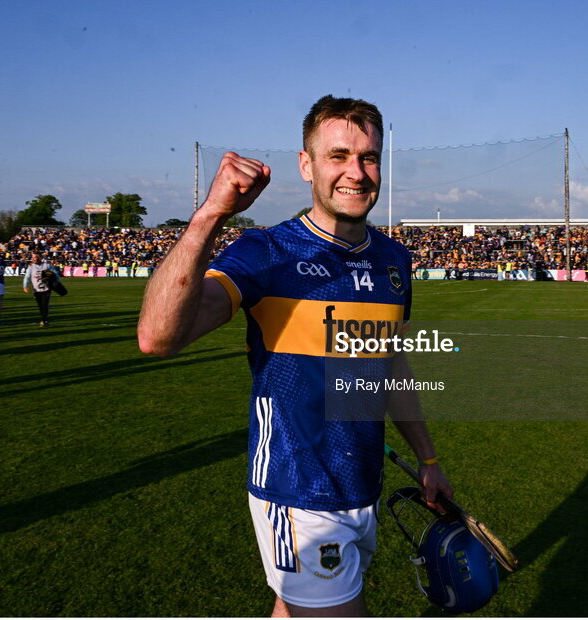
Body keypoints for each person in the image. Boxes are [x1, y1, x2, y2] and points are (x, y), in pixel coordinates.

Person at [138, 95, 452, 617]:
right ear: (306, 165)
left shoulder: (394, 260)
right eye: (338, 156)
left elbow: (391, 366)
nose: (357, 172)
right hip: (298, 489)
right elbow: (158, 337)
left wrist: (429, 459)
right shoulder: (267, 252)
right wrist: (212, 214)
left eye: (368, 157)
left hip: (361, 483)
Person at [23, 253, 61, 327]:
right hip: (36, 289)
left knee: (44, 305)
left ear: (40, 257)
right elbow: (27, 277)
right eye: (33, 257)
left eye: (36, 257)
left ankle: (45, 320)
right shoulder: (31, 267)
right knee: (40, 305)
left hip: (46, 288)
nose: (35, 258)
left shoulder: (47, 265)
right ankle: (43, 319)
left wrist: (54, 281)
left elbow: (56, 274)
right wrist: (25, 285)